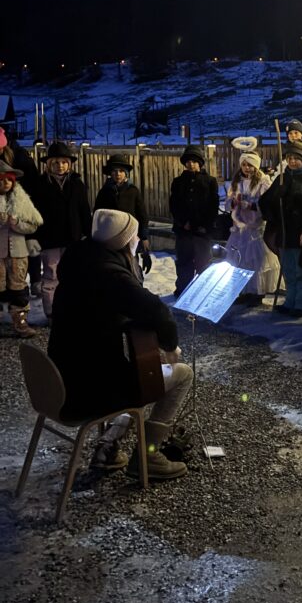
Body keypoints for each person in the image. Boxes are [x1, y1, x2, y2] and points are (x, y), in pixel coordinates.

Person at [48, 208, 191, 479]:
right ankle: (148, 456)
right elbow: (156, 310)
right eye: (134, 235)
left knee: (140, 371)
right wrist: (170, 346)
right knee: (178, 374)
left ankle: (108, 449)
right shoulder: (110, 273)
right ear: (124, 240)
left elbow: (98, 309)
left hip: (63, 377)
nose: (136, 239)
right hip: (87, 390)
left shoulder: (80, 257)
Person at [259, 140, 302, 317]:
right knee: (287, 268)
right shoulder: (283, 178)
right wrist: (275, 200)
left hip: (300, 234)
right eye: (289, 158)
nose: (293, 162)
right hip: (284, 232)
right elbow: (266, 201)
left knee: (301, 269)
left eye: (296, 158)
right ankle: (290, 301)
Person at [35, 141, 91, 320]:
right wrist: (34, 237)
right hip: (49, 238)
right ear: (49, 164)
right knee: (51, 275)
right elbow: (34, 213)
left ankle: (72, 309)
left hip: (73, 238)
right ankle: (51, 312)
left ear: (70, 164)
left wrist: (89, 235)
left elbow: (84, 210)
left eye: (64, 162)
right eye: (56, 162)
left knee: (73, 275)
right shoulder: (40, 184)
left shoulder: (77, 184)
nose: (60, 166)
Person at [225, 145, 279, 305]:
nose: (247, 168)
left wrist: (253, 206)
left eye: (250, 165)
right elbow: (228, 202)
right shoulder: (236, 182)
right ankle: (242, 290)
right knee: (239, 260)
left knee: (255, 260)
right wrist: (233, 203)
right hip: (239, 229)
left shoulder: (263, 182)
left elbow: (268, 202)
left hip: (255, 228)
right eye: (244, 165)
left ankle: (257, 292)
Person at [169, 145, 219, 297]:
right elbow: (174, 204)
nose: (191, 164)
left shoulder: (209, 181)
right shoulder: (178, 182)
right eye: (188, 161)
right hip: (183, 230)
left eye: (194, 161)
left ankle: (202, 291)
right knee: (184, 261)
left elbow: (212, 205)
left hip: (202, 231)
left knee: (203, 261)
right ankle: (184, 288)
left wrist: (204, 225)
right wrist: (182, 222)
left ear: (200, 163)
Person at [0, 159, 43, 337]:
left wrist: (16, 223)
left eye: (8, 180)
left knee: (18, 288)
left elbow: (33, 224)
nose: (5, 184)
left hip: (18, 252)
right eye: (1, 180)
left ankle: (20, 322)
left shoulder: (21, 201)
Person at [0, 125, 42, 296]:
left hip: (21, 205)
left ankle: (33, 282)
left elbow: (35, 187)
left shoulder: (20, 157)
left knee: (25, 249)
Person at [94, 154, 152, 276]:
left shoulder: (133, 191)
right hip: (110, 237)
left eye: (121, 171)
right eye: (114, 171)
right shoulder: (104, 192)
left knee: (131, 264)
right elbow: (98, 215)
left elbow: (142, 215)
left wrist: (144, 237)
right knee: (112, 266)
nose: (118, 174)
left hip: (130, 235)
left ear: (126, 173)